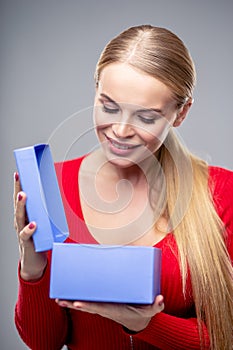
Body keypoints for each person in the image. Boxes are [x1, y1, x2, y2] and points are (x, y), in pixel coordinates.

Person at [13, 24, 233, 350]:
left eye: (145, 117)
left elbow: (225, 339)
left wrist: (146, 324)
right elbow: (43, 343)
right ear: (96, 90)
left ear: (180, 114)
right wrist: (33, 269)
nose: (120, 130)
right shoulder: (53, 187)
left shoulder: (220, 193)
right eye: (109, 106)